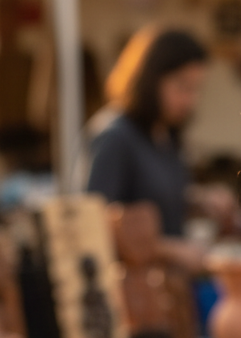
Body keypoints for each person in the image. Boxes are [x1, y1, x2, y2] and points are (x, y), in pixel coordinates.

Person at [85, 27, 209, 272]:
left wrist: (200, 202)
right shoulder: (114, 136)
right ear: (150, 79)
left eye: (196, 89)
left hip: (168, 284)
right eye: (182, 87)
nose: (190, 100)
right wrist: (170, 250)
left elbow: (157, 201)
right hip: (132, 285)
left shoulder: (165, 135)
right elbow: (93, 223)